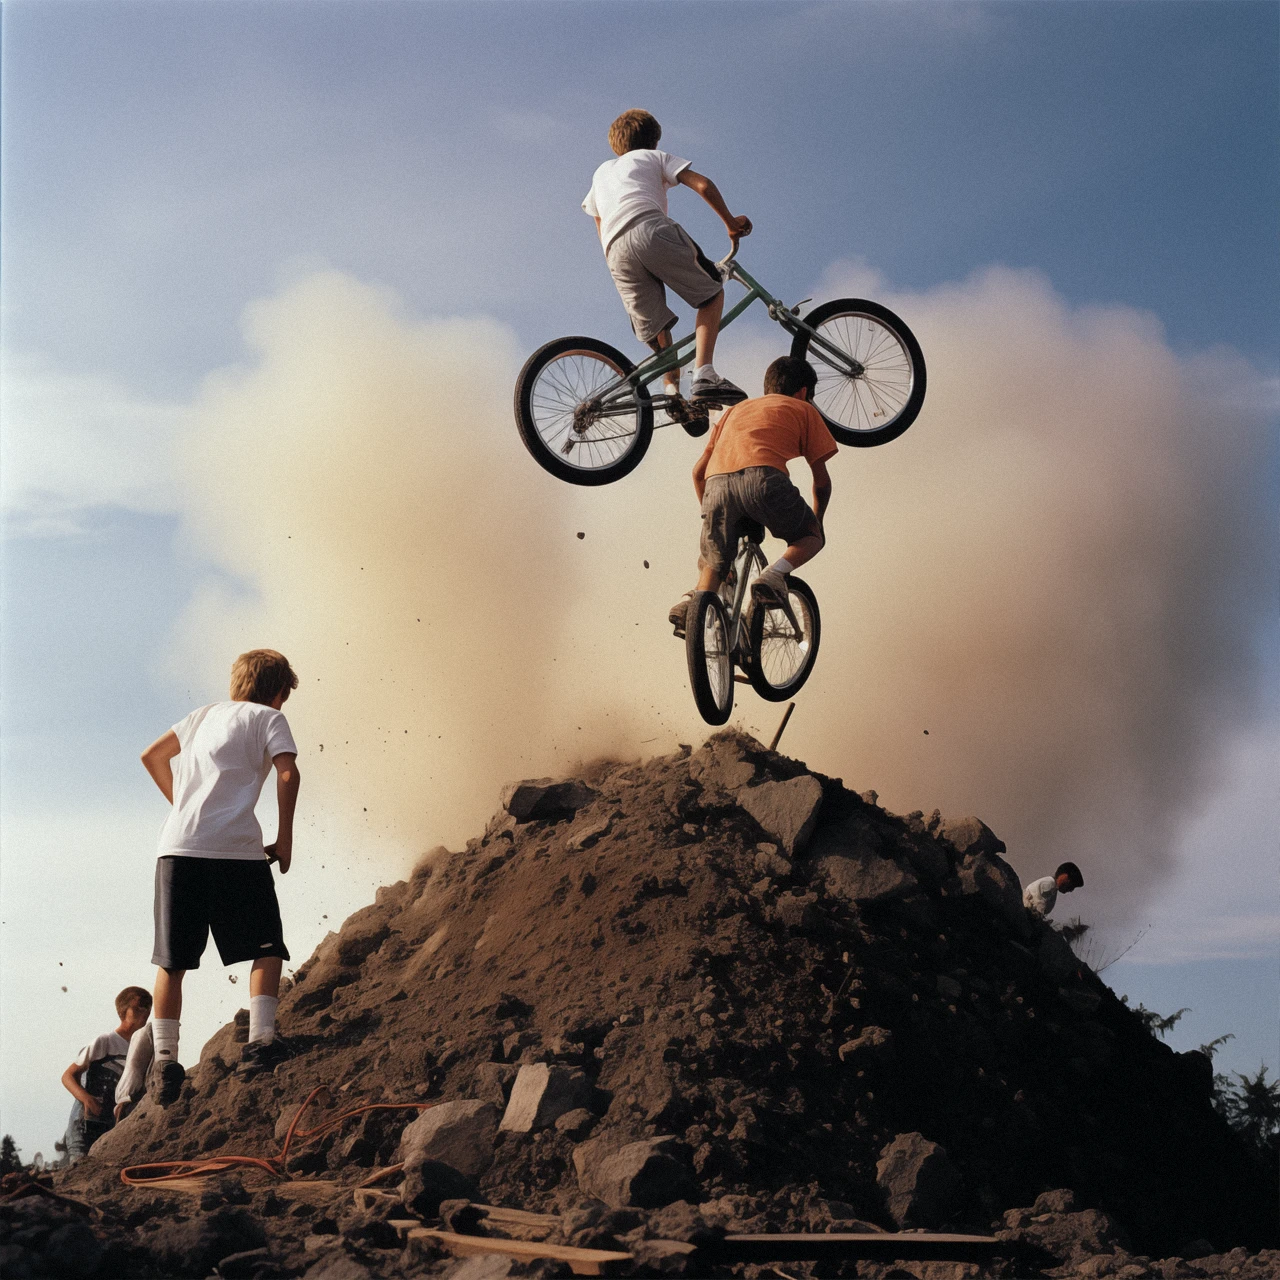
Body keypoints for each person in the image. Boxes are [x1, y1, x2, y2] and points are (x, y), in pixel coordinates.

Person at [140, 649, 301, 1105]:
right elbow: (288, 774)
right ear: (277, 692)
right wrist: (284, 839)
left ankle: (166, 1065)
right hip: (235, 852)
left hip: (177, 849)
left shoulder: (202, 715)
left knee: (172, 962)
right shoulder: (267, 718)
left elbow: (151, 757)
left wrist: (183, 808)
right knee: (266, 945)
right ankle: (261, 1043)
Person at [583, 108, 752, 406]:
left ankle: (672, 390)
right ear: (654, 141)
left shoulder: (601, 173)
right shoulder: (652, 157)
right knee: (711, 293)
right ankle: (705, 374)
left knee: (655, 327)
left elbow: (598, 221)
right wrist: (730, 222)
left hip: (614, 250)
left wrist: (618, 256)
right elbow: (703, 184)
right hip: (650, 228)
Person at [670, 355, 836, 629]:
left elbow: (698, 473)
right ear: (804, 392)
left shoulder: (735, 411)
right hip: (765, 480)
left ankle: (692, 603)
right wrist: (817, 522)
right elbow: (822, 483)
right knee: (811, 536)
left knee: (714, 561)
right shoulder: (802, 408)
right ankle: (773, 576)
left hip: (716, 485)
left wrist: (712, 517)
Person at [60, 986, 151, 1162]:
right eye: (138, 1007)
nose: (144, 1013)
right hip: (84, 1124)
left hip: (109, 1126)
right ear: (123, 1010)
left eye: (148, 1008)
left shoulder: (141, 1049)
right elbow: (68, 1076)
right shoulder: (105, 1041)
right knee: (79, 1165)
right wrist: (86, 1098)